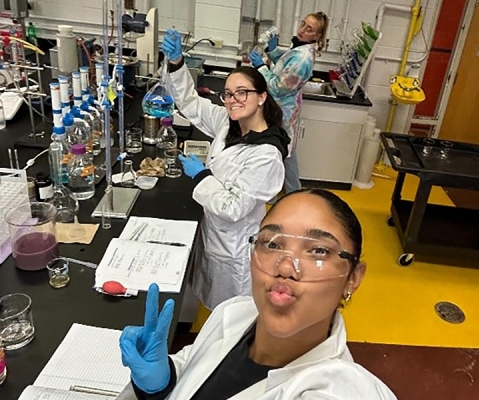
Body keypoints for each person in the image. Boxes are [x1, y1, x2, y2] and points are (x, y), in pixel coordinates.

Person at [117, 188, 397, 400]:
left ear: (353, 277)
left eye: (318, 251)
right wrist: (159, 383)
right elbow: (193, 368)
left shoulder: (336, 392)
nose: (286, 267)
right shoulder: (234, 313)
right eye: (272, 244)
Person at [161, 29, 290, 311]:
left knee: (233, 316)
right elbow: (191, 104)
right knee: (214, 310)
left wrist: (202, 176)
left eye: (243, 93)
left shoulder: (266, 156)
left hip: (235, 248)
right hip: (215, 235)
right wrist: (176, 63)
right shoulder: (228, 123)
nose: (233, 100)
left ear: (262, 97)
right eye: (228, 94)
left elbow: (233, 207)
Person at [248, 12, 329, 195]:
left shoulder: (303, 58)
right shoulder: (299, 48)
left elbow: (278, 87)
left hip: (281, 111)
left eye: (309, 29)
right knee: (284, 152)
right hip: (280, 109)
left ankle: (291, 194)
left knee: (280, 152)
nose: (302, 30)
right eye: (303, 24)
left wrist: (260, 66)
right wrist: (273, 51)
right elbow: (285, 67)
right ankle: (291, 193)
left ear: (317, 36)